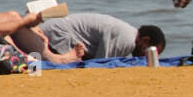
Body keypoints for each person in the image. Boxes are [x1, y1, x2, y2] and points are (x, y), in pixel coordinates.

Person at [12, 14, 165, 61]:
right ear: (144, 41)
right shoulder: (127, 40)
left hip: (57, 30)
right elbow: (101, 63)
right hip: (59, 35)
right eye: (150, 51)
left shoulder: (128, 33)